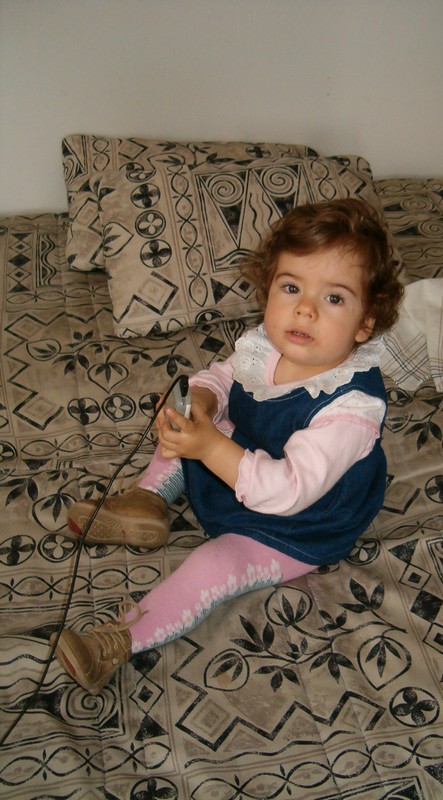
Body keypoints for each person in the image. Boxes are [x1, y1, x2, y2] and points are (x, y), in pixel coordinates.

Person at [50, 197, 403, 694]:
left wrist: (210, 447)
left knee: (215, 563)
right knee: (187, 421)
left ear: (366, 323)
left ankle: (117, 640)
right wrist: (201, 398)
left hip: (299, 520)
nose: (304, 308)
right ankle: (147, 500)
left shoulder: (350, 410)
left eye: (334, 298)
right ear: (268, 287)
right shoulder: (270, 344)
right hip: (246, 460)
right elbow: (223, 375)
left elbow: (287, 490)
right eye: (291, 287)